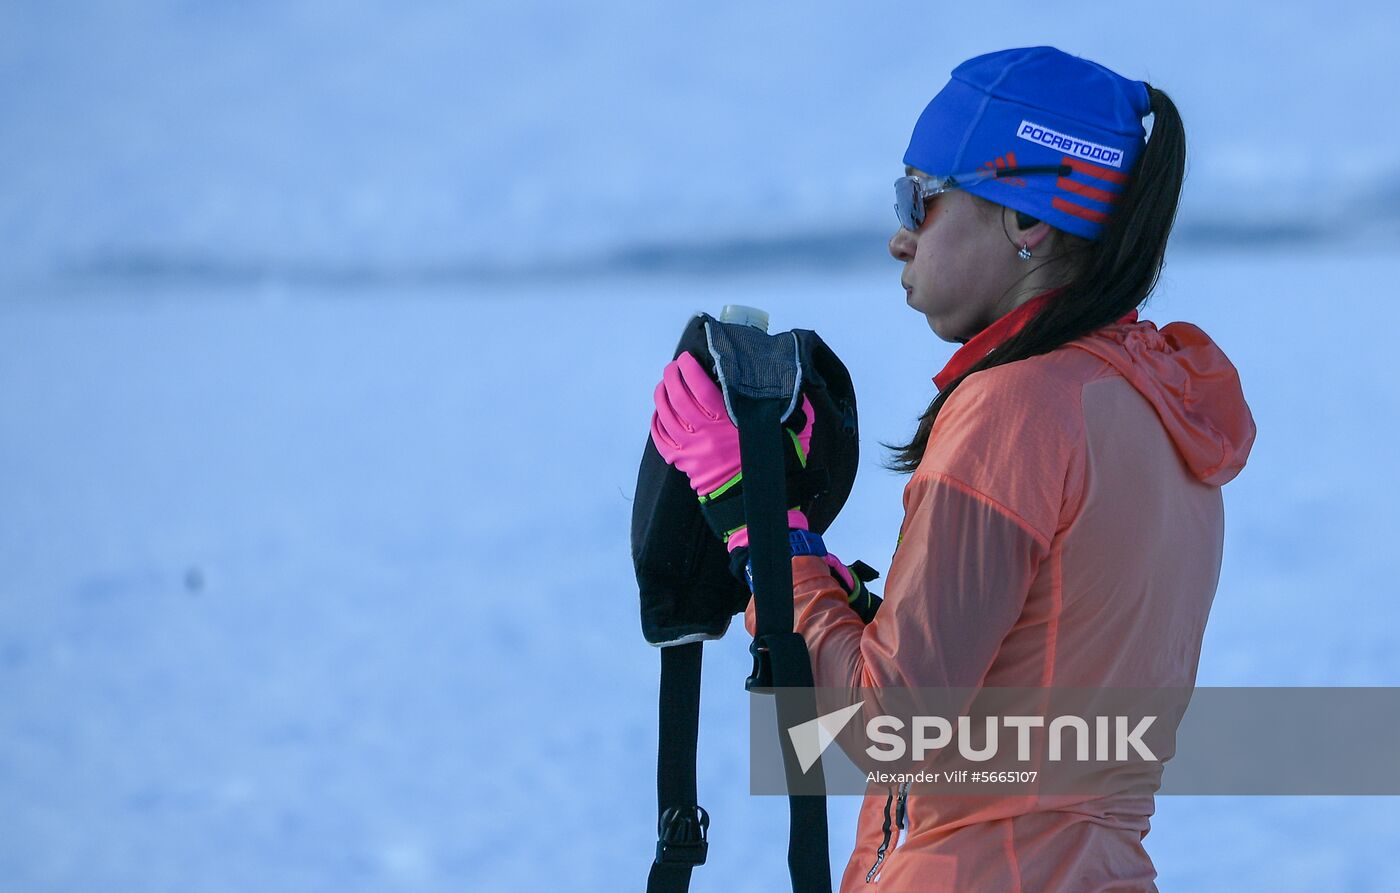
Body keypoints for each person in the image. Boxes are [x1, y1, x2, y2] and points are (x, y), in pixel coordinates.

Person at [650, 45, 1256, 892]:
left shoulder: (1019, 408)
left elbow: (884, 728)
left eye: (921, 197)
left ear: (1029, 220)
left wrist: (753, 519)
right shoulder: (1158, 403)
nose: (900, 236)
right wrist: (828, 579)